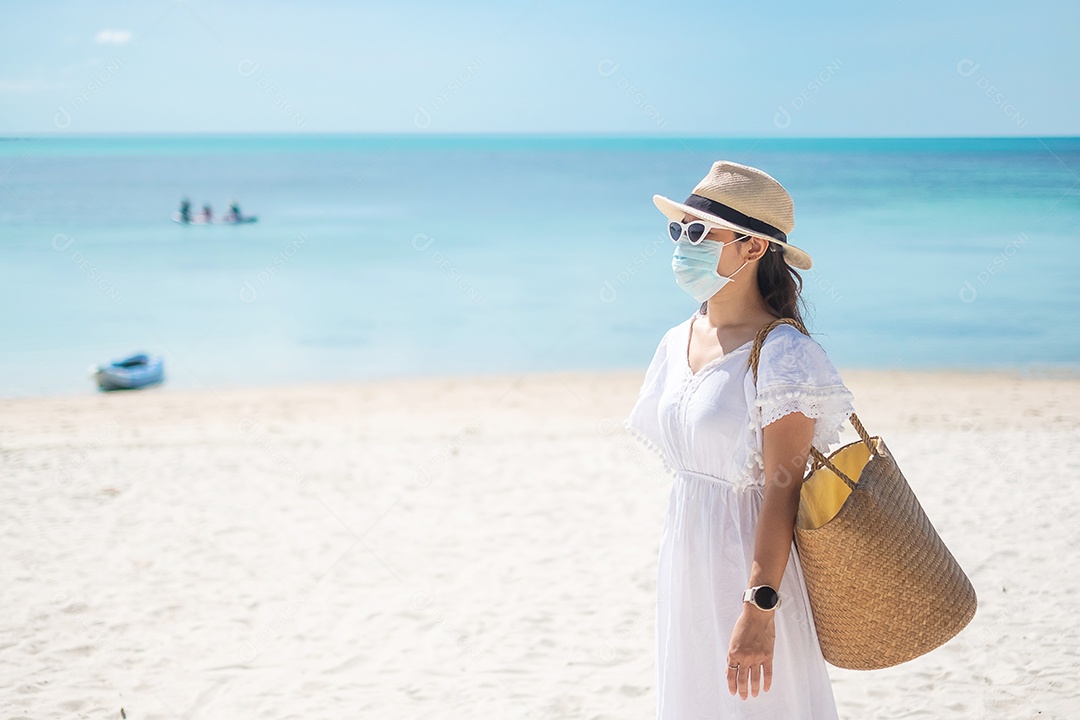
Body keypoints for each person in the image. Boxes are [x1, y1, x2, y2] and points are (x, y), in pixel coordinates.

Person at [624, 161, 855, 719]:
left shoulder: (784, 355)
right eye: (678, 230)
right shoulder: (676, 339)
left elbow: (783, 491)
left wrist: (760, 605)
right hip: (687, 562)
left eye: (700, 232)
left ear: (754, 249)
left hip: (751, 571)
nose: (683, 244)